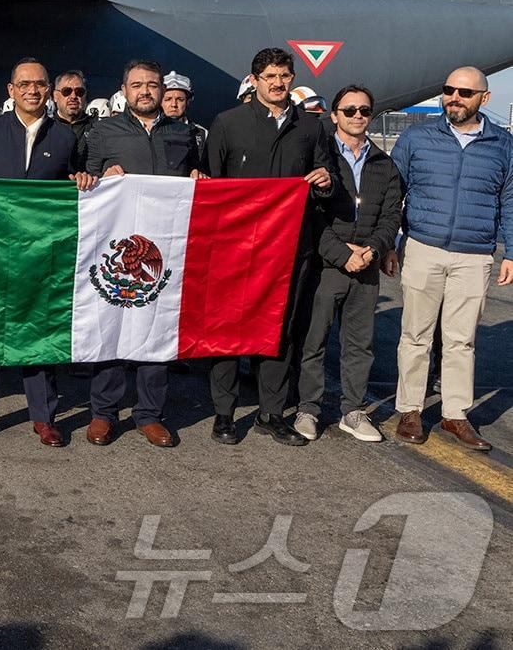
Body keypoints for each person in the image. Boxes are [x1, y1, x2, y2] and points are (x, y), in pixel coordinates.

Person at [0, 58, 97, 447]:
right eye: (25, 84)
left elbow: (76, 183)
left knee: (40, 330)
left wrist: (82, 180)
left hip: (43, 255)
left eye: (40, 84)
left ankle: (44, 417)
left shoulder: (66, 138)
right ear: (11, 90)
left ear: (48, 90)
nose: (33, 90)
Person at [204, 47, 336, 447]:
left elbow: (326, 181)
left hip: (291, 248)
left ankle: (271, 413)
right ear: (255, 80)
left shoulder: (311, 129)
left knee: (279, 330)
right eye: (271, 77)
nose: (279, 84)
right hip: (236, 249)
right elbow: (212, 183)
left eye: (284, 76)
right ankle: (224, 414)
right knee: (227, 329)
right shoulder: (227, 124)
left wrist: (326, 183)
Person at [391, 66, 513, 451]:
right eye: (448, 90)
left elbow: (509, 201)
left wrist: (511, 251)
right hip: (423, 247)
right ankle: (410, 409)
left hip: (474, 255)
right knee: (415, 335)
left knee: (462, 340)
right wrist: (388, 244)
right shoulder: (416, 137)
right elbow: (393, 193)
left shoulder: (503, 145)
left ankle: (455, 415)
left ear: (484, 99)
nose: (454, 98)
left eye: (464, 92)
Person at [83, 60, 202, 448]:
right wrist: (98, 178)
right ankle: (103, 413)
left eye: (152, 84)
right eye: (138, 85)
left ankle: (149, 414)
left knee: (157, 329)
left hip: (165, 249)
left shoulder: (184, 133)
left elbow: (195, 179)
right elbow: (84, 181)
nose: (145, 91)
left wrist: (199, 180)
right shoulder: (102, 132)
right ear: (124, 89)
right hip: (116, 249)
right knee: (111, 327)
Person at [296, 85, 402, 443]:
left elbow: (391, 216)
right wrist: (343, 254)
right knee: (315, 340)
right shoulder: (320, 158)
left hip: (367, 265)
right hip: (329, 265)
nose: (358, 116)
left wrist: (371, 251)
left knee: (360, 343)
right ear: (335, 115)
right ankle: (308, 409)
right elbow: (312, 215)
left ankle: (352, 412)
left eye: (365, 111)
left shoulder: (384, 164)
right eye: (350, 110)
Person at [52, 70, 97, 168]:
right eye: (66, 91)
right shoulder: (44, 127)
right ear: (55, 96)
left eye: (79, 92)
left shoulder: (98, 129)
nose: (73, 96)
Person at [161, 71, 207, 157]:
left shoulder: (202, 133)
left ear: (188, 102)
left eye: (180, 99)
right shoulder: (149, 130)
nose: (174, 104)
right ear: (160, 102)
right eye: (168, 99)